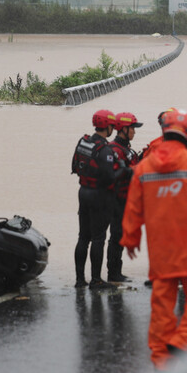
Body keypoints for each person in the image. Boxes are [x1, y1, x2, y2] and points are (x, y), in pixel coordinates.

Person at [120, 109, 187, 371]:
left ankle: (161, 359)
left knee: (162, 304)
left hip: (161, 249)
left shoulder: (144, 167)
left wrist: (130, 239)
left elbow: (133, 207)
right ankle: (184, 338)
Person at [71, 109, 126, 290]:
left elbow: (74, 166)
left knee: (83, 237)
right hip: (99, 196)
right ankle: (96, 280)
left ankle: (80, 280)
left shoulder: (83, 142)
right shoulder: (105, 149)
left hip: (83, 192)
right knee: (98, 238)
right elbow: (110, 177)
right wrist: (124, 170)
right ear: (108, 126)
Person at [106, 112, 143, 283]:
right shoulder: (114, 149)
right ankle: (113, 274)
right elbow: (116, 175)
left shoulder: (126, 149)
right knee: (116, 236)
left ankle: (116, 272)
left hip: (126, 199)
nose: (134, 132)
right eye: (133, 129)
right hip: (117, 200)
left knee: (120, 235)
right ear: (123, 129)